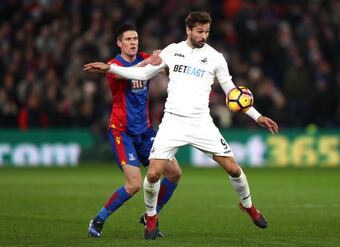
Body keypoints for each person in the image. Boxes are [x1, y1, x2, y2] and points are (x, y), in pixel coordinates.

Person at [84, 11, 279, 240]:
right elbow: (144, 72)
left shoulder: (216, 57)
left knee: (234, 169)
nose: (203, 36)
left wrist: (257, 117)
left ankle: (248, 206)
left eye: (207, 31)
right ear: (188, 30)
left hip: (201, 123)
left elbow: (232, 92)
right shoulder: (173, 51)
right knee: (154, 174)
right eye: (199, 31)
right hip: (173, 122)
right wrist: (111, 68)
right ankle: (151, 218)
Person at [86, 24, 182, 238]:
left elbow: (162, 63)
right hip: (123, 132)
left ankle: (151, 215)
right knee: (134, 185)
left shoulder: (145, 58)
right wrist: (149, 62)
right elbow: (128, 74)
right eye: (128, 39)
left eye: (136, 38)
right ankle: (99, 219)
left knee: (174, 173)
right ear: (119, 43)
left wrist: (163, 57)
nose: (133, 42)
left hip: (145, 132)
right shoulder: (112, 66)